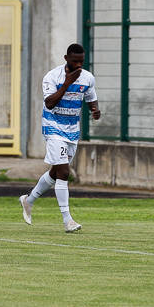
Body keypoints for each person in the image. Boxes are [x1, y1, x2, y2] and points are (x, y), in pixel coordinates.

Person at [19, 43, 101, 233]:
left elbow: (91, 98)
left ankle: (28, 200)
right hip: (53, 127)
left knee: (56, 172)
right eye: (75, 61)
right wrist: (67, 83)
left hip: (72, 130)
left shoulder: (87, 77)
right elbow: (49, 103)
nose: (79, 65)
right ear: (66, 59)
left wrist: (95, 110)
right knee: (64, 173)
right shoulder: (52, 77)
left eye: (81, 61)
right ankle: (68, 220)